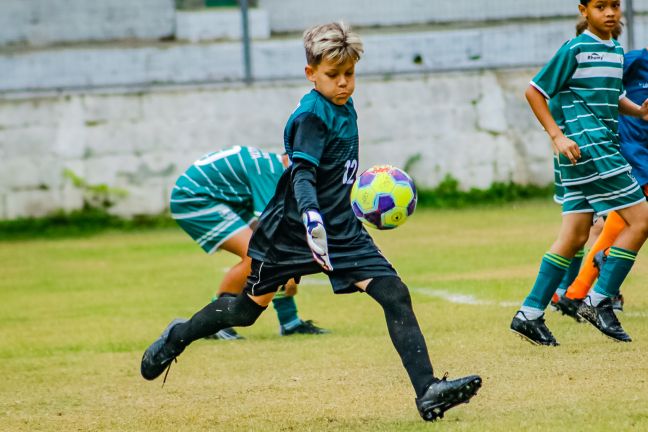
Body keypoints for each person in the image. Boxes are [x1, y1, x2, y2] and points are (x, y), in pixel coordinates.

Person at [141, 22, 481, 421]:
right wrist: (310, 214)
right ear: (311, 74)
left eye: (349, 75)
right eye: (332, 76)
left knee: (394, 293)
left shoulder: (344, 105)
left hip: (341, 231)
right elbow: (302, 174)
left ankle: (428, 391)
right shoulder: (311, 117)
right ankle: (177, 336)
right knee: (246, 312)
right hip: (291, 232)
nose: (343, 84)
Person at [510, 0, 648, 345]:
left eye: (615, 5)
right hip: (591, 148)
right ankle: (599, 298)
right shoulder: (576, 48)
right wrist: (557, 136)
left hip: (583, 155)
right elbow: (534, 91)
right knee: (642, 220)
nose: (611, 12)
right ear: (583, 10)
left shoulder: (614, 49)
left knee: (573, 236)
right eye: (601, 6)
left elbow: (611, 96)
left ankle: (529, 313)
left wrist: (638, 111)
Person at [169, 145, 329, 339]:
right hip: (194, 198)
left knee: (269, 256)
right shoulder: (273, 174)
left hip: (222, 198)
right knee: (254, 257)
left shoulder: (273, 166)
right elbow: (273, 234)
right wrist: (290, 275)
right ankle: (215, 324)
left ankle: (290, 322)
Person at [553, 22, 648, 320]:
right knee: (592, 226)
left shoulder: (622, 57)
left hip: (628, 153)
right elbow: (567, 90)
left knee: (597, 225)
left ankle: (574, 293)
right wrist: (561, 133)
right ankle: (577, 292)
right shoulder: (634, 60)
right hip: (618, 152)